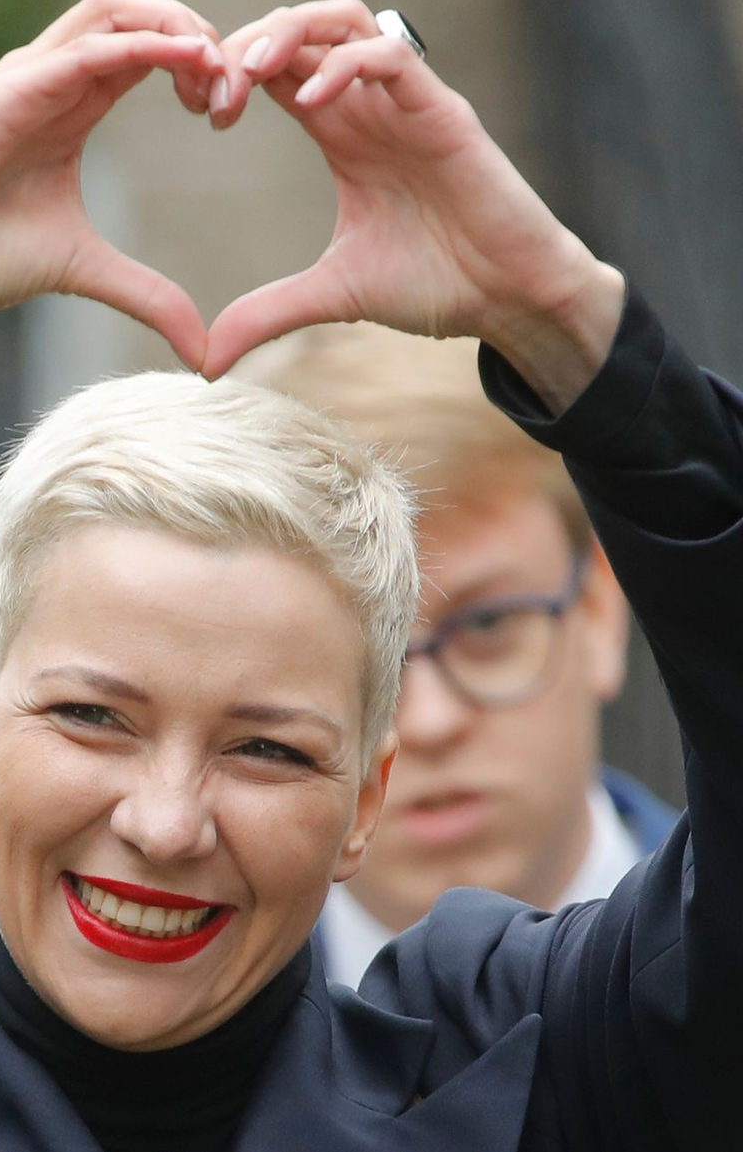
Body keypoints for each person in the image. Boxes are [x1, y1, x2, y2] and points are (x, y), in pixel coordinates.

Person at [0, 0, 739, 1150]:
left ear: (365, 799)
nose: (166, 824)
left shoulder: (530, 1077)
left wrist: (568, 321)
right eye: (93, 715)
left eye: (266, 747)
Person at [236, 324, 678, 986]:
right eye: (367, 659)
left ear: (598, 612)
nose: (429, 722)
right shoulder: (159, 1046)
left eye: (490, 622)